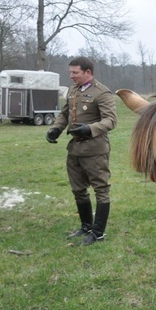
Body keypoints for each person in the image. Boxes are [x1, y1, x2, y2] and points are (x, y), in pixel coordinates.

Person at [46, 57, 117, 246]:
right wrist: (56, 129)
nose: (71, 76)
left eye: (75, 72)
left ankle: (98, 232)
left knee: (101, 190)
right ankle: (86, 226)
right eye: (70, 72)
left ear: (88, 72)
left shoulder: (102, 93)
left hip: (95, 149)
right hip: (75, 148)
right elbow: (65, 113)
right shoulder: (73, 90)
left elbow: (111, 120)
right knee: (78, 189)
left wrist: (90, 129)